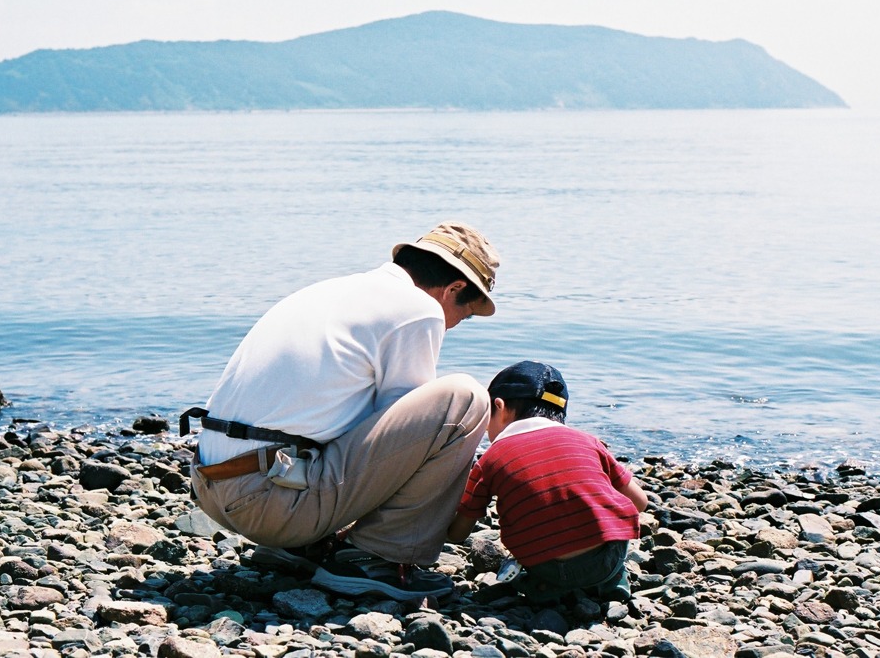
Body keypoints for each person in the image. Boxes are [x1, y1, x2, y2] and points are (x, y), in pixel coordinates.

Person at [180, 221, 500, 601]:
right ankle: (375, 557)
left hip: (212, 485)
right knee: (463, 400)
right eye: (462, 317)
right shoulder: (420, 309)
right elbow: (407, 444)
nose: (452, 326)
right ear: (454, 289)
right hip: (269, 504)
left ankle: (300, 546)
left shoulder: (330, 290)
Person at [447, 360, 649, 603]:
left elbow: (459, 533)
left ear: (498, 406)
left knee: (533, 543)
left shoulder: (490, 459)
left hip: (545, 566)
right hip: (604, 561)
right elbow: (639, 502)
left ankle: (543, 587)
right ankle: (612, 581)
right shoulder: (587, 441)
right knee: (613, 520)